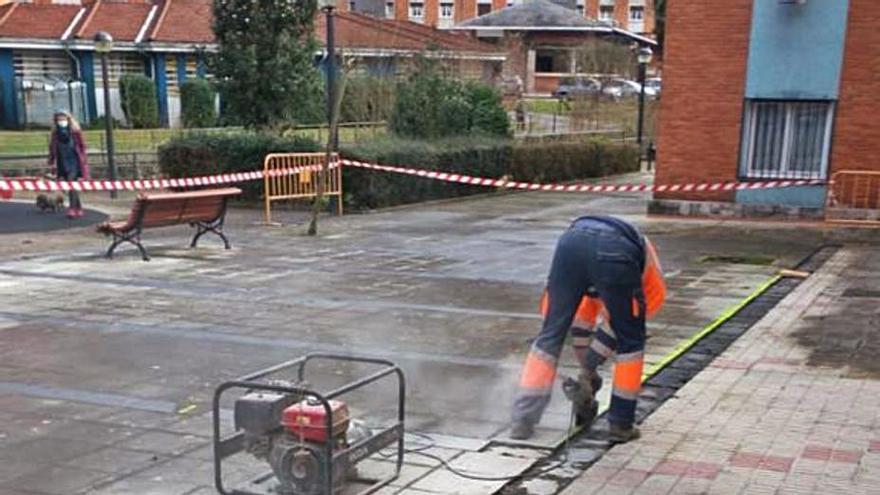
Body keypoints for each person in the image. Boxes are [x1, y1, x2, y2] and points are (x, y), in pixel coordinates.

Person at [511, 215, 666, 442]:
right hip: (616, 250)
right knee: (631, 344)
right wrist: (587, 372)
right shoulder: (651, 287)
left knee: (549, 337)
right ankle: (621, 425)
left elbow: (570, 327)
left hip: (570, 244)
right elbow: (611, 330)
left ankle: (522, 422)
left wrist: (587, 371)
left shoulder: (643, 286)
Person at [47, 110, 90, 218]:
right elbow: (52, 147)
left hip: (74, 161)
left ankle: (72, 208)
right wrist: (51, 161)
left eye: (63, 118)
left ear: (68, 119)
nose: (61, 121)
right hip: (62, 161)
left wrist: (84, 158)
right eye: (59, 119)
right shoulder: (55, 133)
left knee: (71, 182)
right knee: (71, 185)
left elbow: (82, 145)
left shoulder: (75, 131)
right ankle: (78, 207)